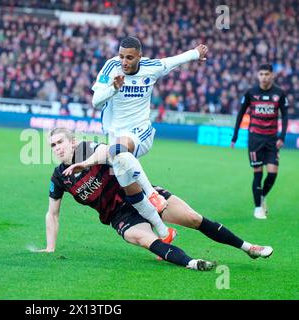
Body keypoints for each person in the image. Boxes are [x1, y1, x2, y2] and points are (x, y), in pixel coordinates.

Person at [37, 128, 273, 271]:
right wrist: (50, 247)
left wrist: (85, 163)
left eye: (60, 142)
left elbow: (109, 151)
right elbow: (52, 213)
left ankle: (248, 248)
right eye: (52, 145)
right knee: (140, 237)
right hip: (119, 216)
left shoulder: (87, 149)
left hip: (138, 194)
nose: (57, 148)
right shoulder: (59, 177)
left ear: (73, 142)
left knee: (192, 218)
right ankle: (192, 263)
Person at [90, 36, 208, 241]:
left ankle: (153, 194)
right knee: (132, 194)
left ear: (139, 57)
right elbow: (95, 101)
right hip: (115, 137)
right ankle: (164, 233)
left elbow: (173, 60)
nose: (124, 62)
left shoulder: (151, 67)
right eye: (121, 56)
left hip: (139, 134)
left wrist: (196, 54)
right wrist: (113, 89)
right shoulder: (111, 67)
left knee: (117, 151)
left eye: (129, 57)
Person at [231, 64, 289, 219]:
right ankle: (257, 207)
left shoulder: (279, 94)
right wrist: (235, 136)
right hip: (255, 140)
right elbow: (241, 114)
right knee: (258, 173)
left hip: (272, 141)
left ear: (272, 76)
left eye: (267, 74)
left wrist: (282, 137)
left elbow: (284, 116)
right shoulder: (251, 93)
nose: (264, 77)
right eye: (261, 74)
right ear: (258, 75)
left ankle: (262, 196)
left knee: (272, 173)